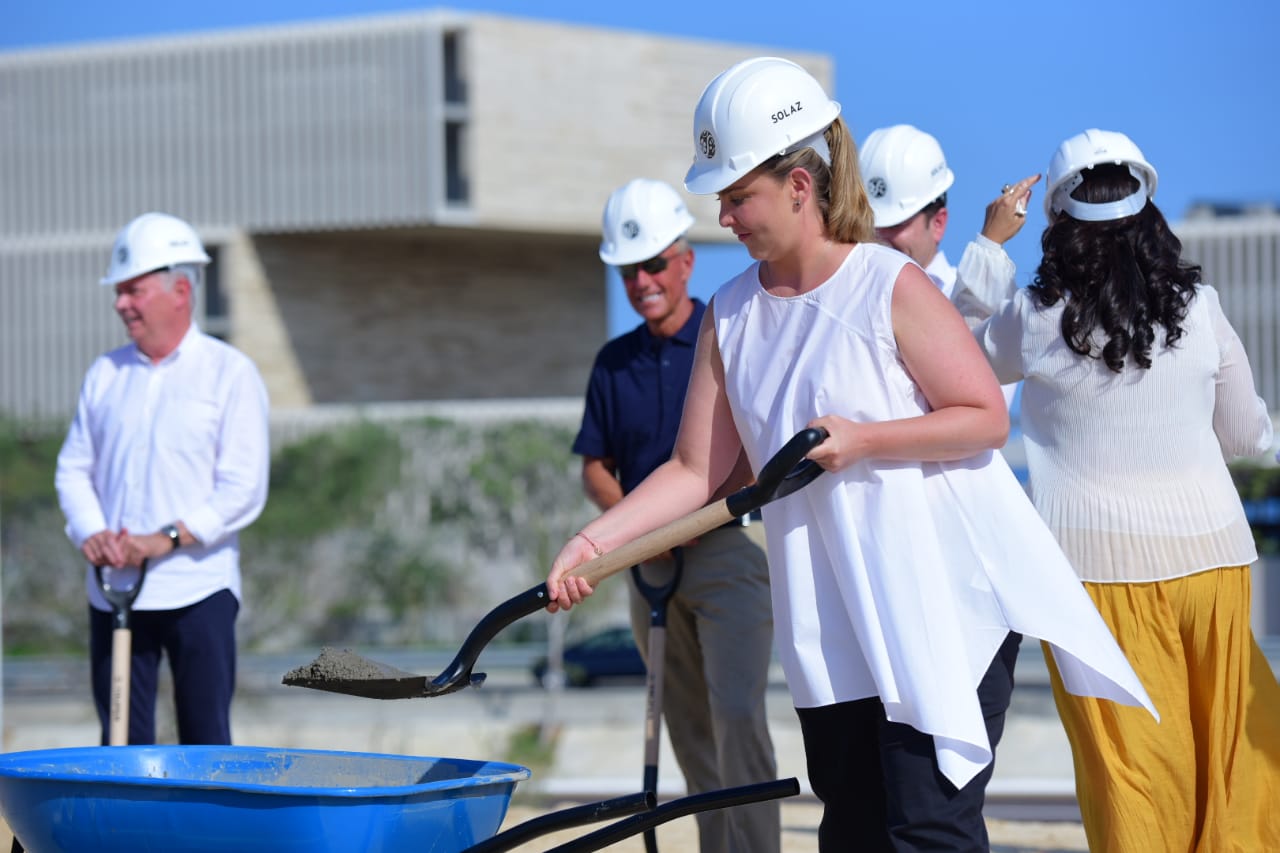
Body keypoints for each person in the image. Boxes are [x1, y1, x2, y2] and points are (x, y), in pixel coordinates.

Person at [546, 57, 1155, 852]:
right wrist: (593, 545)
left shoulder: (888, 285)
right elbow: (695, 471)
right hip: (830, 614)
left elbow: (982, 417)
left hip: (937, 599)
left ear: (799, 186)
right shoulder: (730, 315)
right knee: (855, 834)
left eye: (737, 196)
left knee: (929, 832)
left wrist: (865, 439)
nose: (723, 216)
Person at [955, 129, 1280, 852]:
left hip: (1094, 579)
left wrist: (988, 246)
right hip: (1214, 564)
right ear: (1149, 210)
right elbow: (1246, 435)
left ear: (1058, 220)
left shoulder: (1033, 318)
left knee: (1132, 774)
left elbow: (952, 365)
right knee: (1230, 764)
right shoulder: (1201, 306)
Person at [573, 177, 779, 853]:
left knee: (738, 714)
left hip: (727, 551)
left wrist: (683, 523)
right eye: (628, 271)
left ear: (685, 261)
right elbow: (595, 466)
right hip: (647, 567)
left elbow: (755, 452)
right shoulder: (613, 364)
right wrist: (637, 532)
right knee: (687, 729)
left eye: (654, 264)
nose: (643, 281)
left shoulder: (727, 338)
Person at [55, 211, 270, 746]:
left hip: (199, 590)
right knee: (120, 748)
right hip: (115, 594)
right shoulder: (105, 374)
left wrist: (166, 538)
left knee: (205, 744)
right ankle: (128, 809)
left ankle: (204, 809)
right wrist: (91, 532)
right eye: (118, 292)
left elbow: (242, 488)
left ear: (180, 291)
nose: (120, 303)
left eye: (133, 290)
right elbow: (73, 468)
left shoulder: (229, 374)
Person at [859, 123, 1019, 408]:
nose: (878, 237)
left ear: (938, 223)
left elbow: (982, 410)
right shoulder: (842, 295)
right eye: (868, 224)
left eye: (895, 224)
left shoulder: (983, 302)